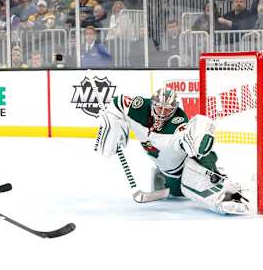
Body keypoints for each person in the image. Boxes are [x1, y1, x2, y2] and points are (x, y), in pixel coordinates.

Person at [95, 87, 249, 215]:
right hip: (167, 173)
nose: (162, 112)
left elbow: (192, 143)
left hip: (185, 168)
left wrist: (199, 135)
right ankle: (208, 179)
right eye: (159, 107)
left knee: (191, 179)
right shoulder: (139, 107)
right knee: (176, 192)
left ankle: (222, 192)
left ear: (174, 110)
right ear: (152, 103)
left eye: (167, 109)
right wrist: (112, 122)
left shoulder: (178, 122)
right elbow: (118, 102)